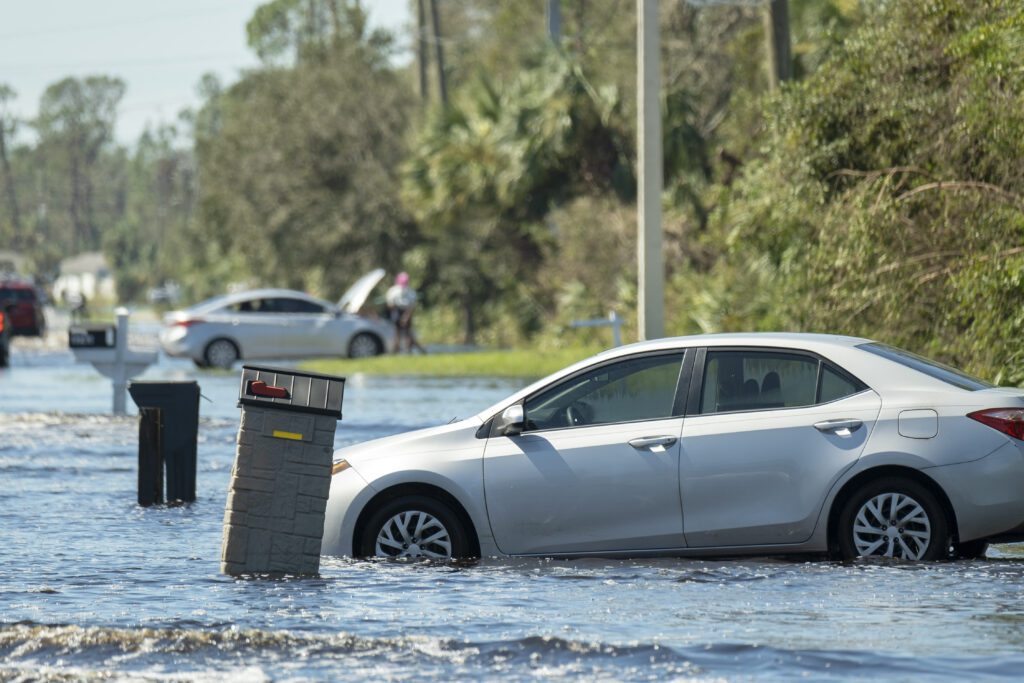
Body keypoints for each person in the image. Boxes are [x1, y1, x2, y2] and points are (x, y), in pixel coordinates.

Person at [385, 272, 426, 354]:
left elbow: (411, 306)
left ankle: (408, 350)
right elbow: (391, 305)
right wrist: (397, 314)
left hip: (406, 311)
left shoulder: (408, 291)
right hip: (397, 311)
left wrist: (406, 317)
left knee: (407, 333)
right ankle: (396, 351)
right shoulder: (394, 291)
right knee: (398, 333)